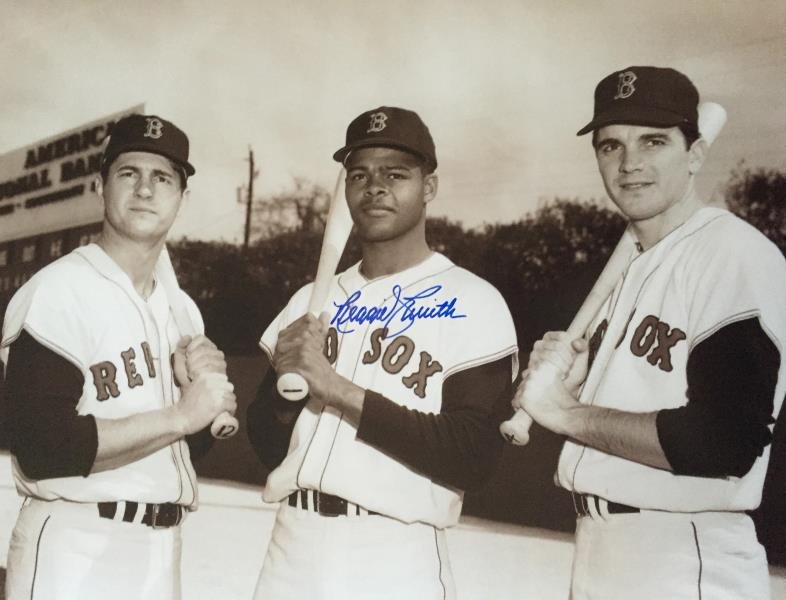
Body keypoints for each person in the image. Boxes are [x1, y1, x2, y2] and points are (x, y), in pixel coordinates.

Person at [514, 66, 786, 599]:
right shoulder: (634, 266)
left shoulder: (734, 255)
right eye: (610, 146)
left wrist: (565, 413)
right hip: (603, 548)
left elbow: (725, 441)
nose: (630, 164)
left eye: (653, 141)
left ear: (695, 154)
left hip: (684, 554)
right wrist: (578, 387)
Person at [247, 106, 518, 600]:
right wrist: (287, 396)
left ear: (428, 188)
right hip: (293, 545)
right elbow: (268, 440)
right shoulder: (311, 298)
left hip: (394, 555)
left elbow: (473, 456)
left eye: (396, 174)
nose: (375, 187)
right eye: (359, 175)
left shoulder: (476, 301)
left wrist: (339, 390)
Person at [0, 113, 236, 600]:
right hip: (73, 544)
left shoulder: (182, 309)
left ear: (181, 198)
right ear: (99, 185)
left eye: (162, 177)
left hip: (160, 549)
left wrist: (199, 406)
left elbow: (186, 451)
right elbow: (41, 448)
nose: (145, 189)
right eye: (129, 173)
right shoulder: (58, 291)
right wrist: (179, 415)